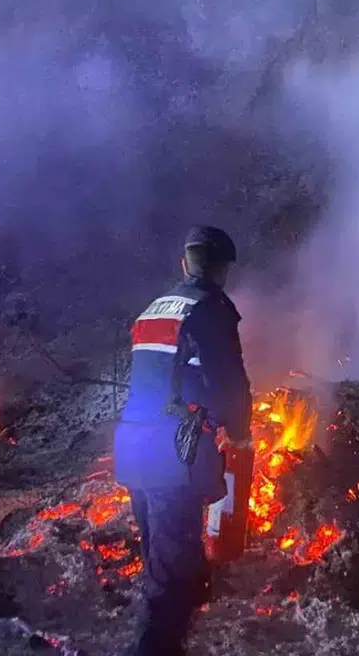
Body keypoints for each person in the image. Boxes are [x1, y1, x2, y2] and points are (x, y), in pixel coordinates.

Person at [113, 225, 252, 656]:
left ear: (183, 264)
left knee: (169, 558)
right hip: (172, 452)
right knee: (170, 579)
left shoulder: (155, 309)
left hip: (133, 445)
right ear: (221, 270)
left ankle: (171, 636)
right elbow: (228, 381)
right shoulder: (211, 306)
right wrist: (242, 433)